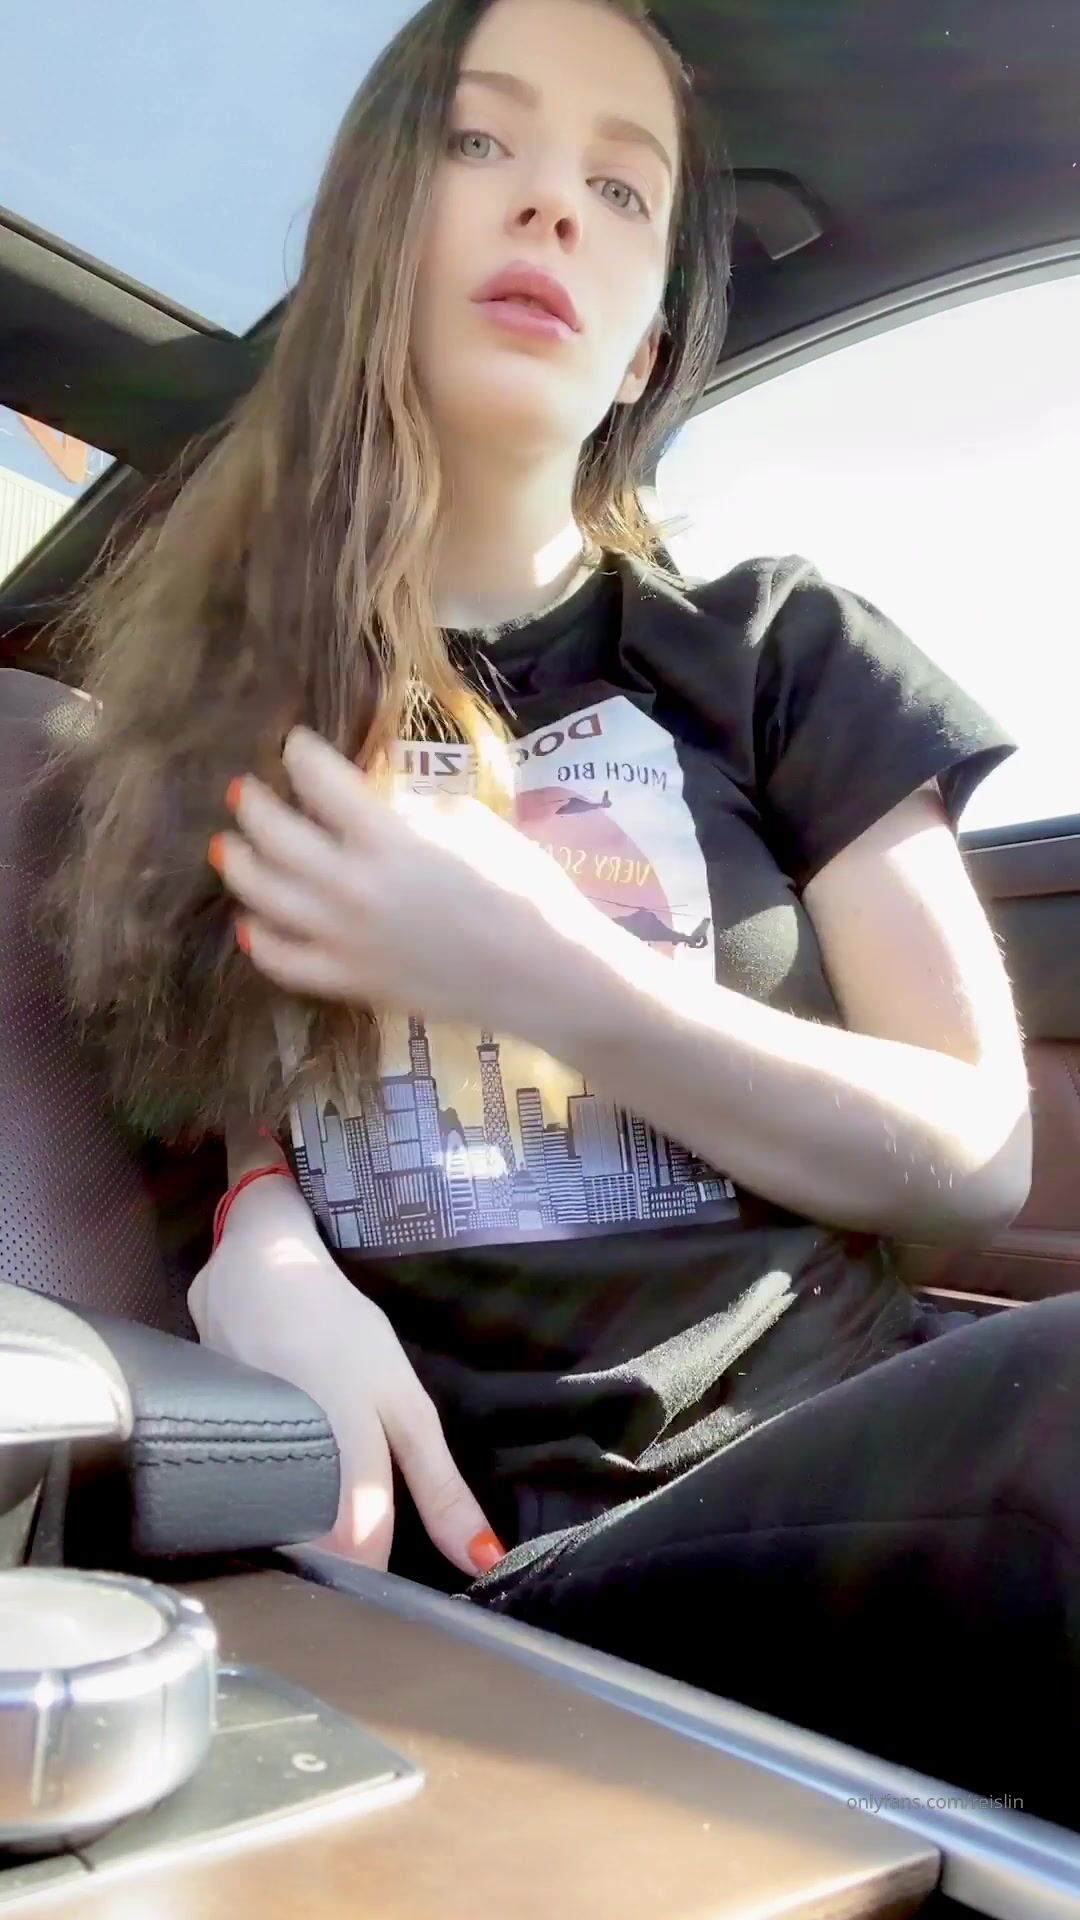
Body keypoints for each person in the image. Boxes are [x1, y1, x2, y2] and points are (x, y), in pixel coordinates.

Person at [35, 0, 1080, 1830]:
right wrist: (256, 1231)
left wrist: (552, 973)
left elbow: (976, 1151)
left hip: (862, 1437)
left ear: (645, 340)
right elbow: (190, 1088)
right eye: (482, 142)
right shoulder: (201, 733)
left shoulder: (781, 651)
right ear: (376, 235)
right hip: (535, 1566)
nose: (552, 208)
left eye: (622, 186)